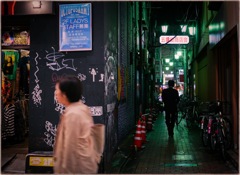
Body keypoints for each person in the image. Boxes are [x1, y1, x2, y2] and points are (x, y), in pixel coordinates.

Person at [53, 75, 99, 174]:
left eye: (57, 90)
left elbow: (70, 149)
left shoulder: (73, 114)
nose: (55, 93)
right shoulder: (81, 108)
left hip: (77, 169)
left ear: (64, 94)